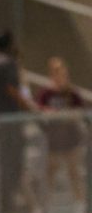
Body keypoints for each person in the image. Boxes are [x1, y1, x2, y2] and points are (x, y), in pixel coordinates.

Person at [0, 31, 33, 213]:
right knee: (12, 165)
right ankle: (7, 208)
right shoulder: (7, 64)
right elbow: (11, 89)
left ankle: (3, 207)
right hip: (10, 122)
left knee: (0, 165)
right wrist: (29, 107)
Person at [36, 57, 86, 203]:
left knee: (74, 174)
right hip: (53, 142)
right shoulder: (46, 93)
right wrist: (51, 114)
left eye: (63, 74)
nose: (61, 78)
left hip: (70, 141)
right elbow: (38, 110)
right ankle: (45, 206)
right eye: (57, 74)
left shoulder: (72, 93)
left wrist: (68, 116)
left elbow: (80, 111)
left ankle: (80, 204)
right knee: (49, 174)